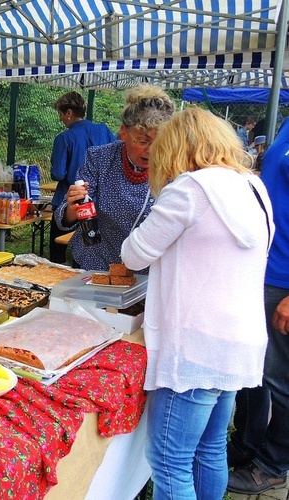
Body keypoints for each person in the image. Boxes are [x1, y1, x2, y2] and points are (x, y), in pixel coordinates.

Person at [121, 107, 273, 500]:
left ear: (175, 148)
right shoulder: (254, 187)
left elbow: (134, 254)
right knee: (210, 449)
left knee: (170, 461)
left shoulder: (188, 190)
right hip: (238, 343)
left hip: (193, 349)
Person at [226, 118, 289, 495]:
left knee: (281, 380)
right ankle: (248, 445)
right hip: (262, 269)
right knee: (253, 370)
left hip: (283, 280)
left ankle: (274, 465)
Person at [53, 84, 174, 272]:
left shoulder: (174, 167)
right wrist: (72, 209)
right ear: (124, 133)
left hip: (148, 270)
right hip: (97, 263)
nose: (152, 150)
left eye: (160, 142)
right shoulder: (99, 158)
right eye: (143, 141)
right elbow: (65, 218)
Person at [49, 91, 117, 263]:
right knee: (94, 249)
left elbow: (58, 173)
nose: (61, 119)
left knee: (57, 256)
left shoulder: (64, 138)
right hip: (101, 204)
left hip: (70, 204)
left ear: (69, 113)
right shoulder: (103, 130)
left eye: (61, 114)